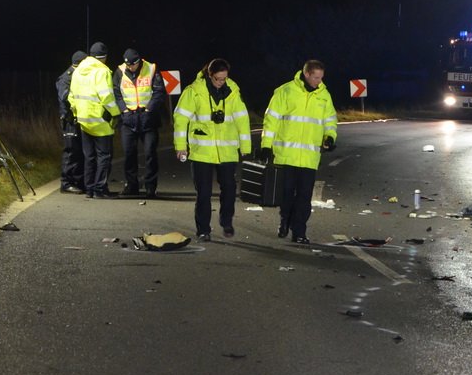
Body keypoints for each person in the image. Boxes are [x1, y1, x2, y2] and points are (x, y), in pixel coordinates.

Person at [258, 60, 337, 245]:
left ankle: (299, 231)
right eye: (316, 77)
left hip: (309, 157)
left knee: (304, 197)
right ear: (307, 74)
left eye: (321, 78)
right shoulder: (285, 91)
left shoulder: (324, 95)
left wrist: (330, 137)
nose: (319, 81)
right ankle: (285, 220)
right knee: (286, 194)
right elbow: (271, 120)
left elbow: (330, 121)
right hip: (286, 155)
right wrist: (266, 146)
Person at [173, 58, 251, 242]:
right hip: (202, 151)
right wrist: (181, 147)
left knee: (230, 188)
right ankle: (203, 229)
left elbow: (242, 119)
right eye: (218, 79)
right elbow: (181, 119)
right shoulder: (193, 92)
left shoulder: (233, 91)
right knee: (204, 193)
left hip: (227, 151)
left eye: (224, 78)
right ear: (209, 75)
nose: (221, 82)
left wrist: (245, 147)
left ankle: (226, 220)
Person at [69, 41, 121, 198]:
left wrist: (77, 113)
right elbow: (106, 96)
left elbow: (72, 96)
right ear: (104, 57)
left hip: (84, 121)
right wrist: (116, 113)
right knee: (104, 156)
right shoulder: (102, 71)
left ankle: (90, 189)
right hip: (100, 121)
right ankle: (100, 189)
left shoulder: (78, 71)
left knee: (89, 157)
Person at [113, 48, 166, 197]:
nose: (130, 67)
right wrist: (123, 110)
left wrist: (149, 110)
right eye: (128, 65)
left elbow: (159, 91)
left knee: (150, 153)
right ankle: (131, 185)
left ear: (139, 61)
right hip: (128, 119)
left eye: (133, 65)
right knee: (129, 154)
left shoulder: (151, 69)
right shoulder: (119, 71)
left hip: (148, 118)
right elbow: (116, 92)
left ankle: (150, 186)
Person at [56, 50, 87, 193]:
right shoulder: (67, 77)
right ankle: (66, 182)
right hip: (70, 120)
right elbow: (64, 98)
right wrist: (69, 116)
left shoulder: (76, 75)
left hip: (77, 118)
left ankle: (79, 181)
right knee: (71, 152)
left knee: (79, 152)